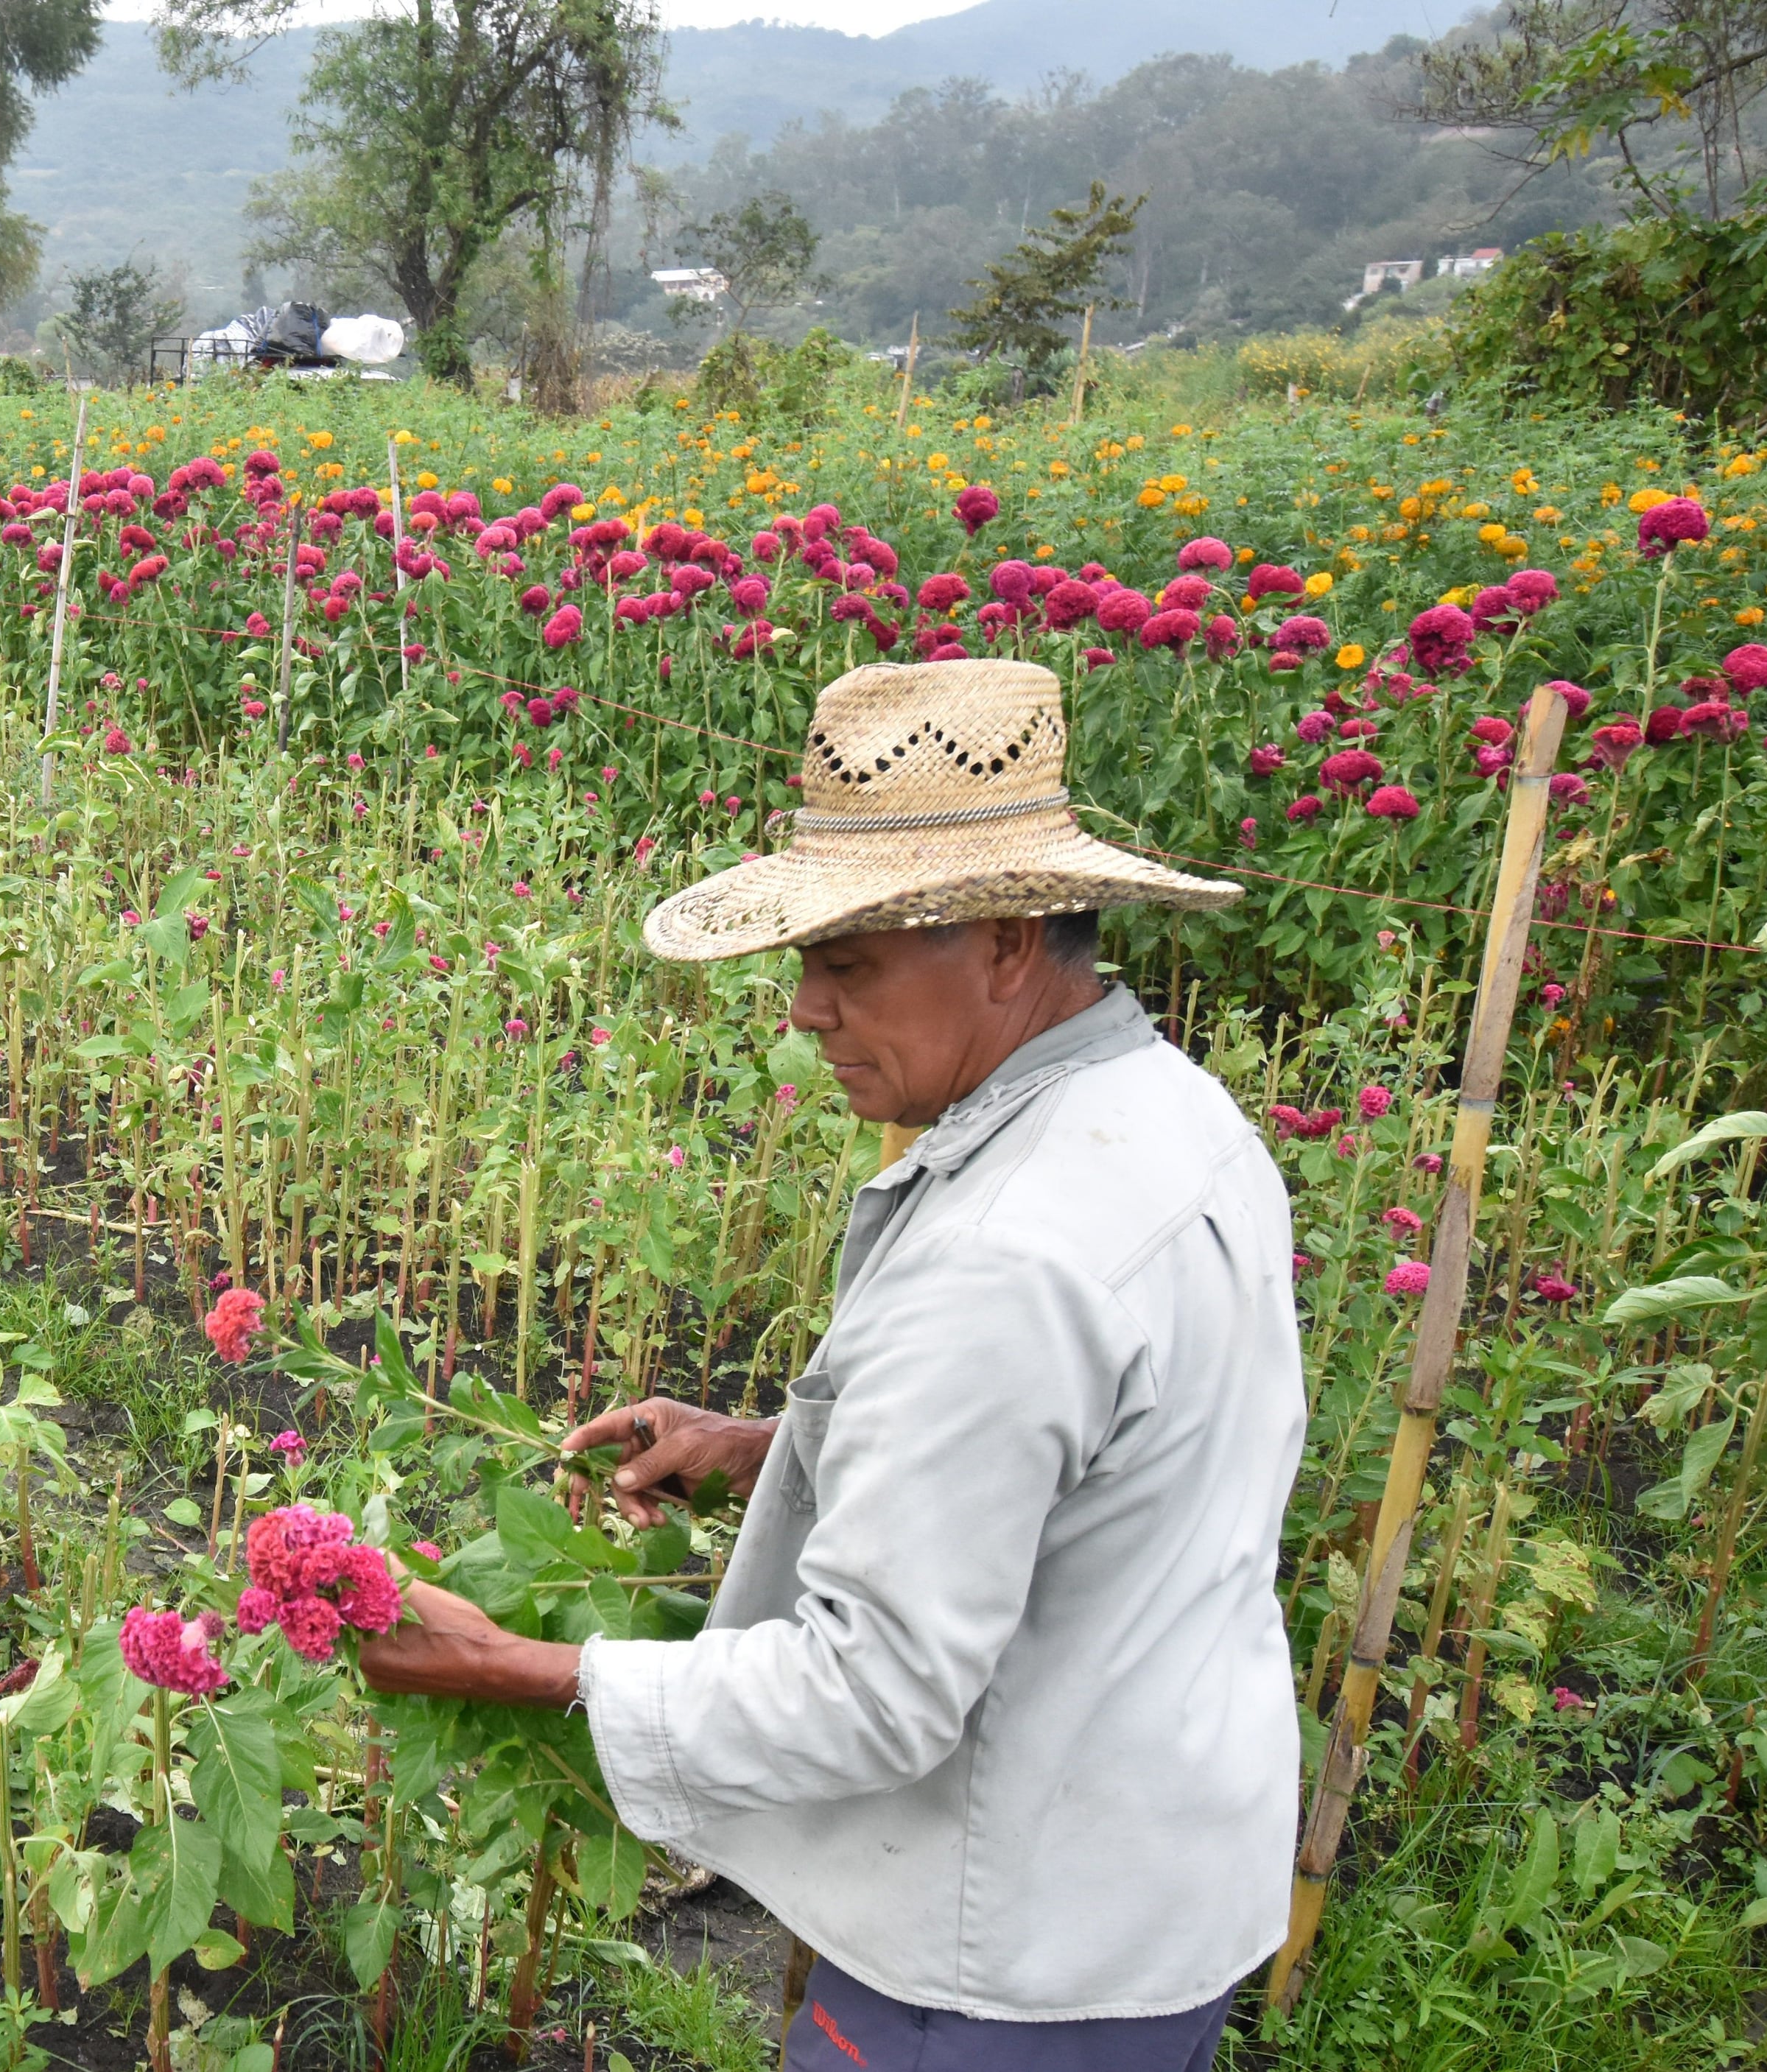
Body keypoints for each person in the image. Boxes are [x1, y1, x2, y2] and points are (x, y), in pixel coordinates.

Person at [356, 659, 1300, 2071]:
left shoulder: (1008, 1251)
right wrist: (768, 1444)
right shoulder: (1172, 1114)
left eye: (846, 963)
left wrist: (512, 1662)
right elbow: (1096, 1450)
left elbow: (877, 1690)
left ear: (1004, 938)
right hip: (1151, 1873)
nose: (805, 1009)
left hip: (1001, 1957)